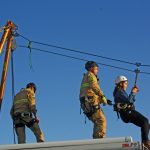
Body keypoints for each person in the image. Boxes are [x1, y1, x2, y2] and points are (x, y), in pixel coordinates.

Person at [113, 75, 150, 149]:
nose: (126, 85)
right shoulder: (120, 92)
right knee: (145, 121)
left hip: (126, 114)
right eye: (125, 83)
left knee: (146, 125)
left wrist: (133, 93)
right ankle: (145, 142)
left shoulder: (120, 92)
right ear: (121, 83)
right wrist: (133, 92)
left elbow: (130, 101)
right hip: (127, 112)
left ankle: (145, 145)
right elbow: (129, 101)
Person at [79, 61, 112, 139]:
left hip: (87, 103)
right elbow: (94, 86)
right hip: (90, 102)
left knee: (97, 122)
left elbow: (90, 92)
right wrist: (102, 95)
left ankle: (96, 140)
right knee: (101, 120)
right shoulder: (90, 75)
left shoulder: (86, 77)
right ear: (91, 68)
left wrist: (104, 100)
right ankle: (100, 141)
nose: (98, 70)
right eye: (96, 68)